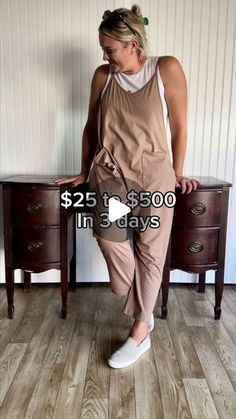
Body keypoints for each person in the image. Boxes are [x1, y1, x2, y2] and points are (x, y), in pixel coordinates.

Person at [55, 4, 199, 369]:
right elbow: (91, 126)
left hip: (154, 176)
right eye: (103, 48)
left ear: (132, 43)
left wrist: (177, 171)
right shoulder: (103, 76)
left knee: (152, 251)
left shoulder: (166, 68)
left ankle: (139, 333)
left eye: (110, 48)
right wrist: (85, 170)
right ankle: (142, 306)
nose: (104, 54)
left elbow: (179, 126)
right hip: (111, 174)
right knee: (109, 237)